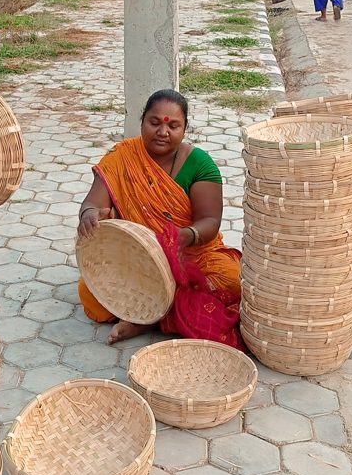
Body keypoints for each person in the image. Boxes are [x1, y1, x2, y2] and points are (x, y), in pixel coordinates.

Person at [77, 91, 243, 348]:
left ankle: (148, 320)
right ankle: (164, 313)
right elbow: (93, 202)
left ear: (185, 129)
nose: (162, 132)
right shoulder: (121, 158)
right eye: (154, 123)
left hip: (192, 255)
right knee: (90, 294)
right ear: (142, 121)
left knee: (233, 280)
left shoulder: (200, 164)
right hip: (139, 258)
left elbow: (209, 221)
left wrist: (180, 237)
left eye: (173, 126)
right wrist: (89, 213)